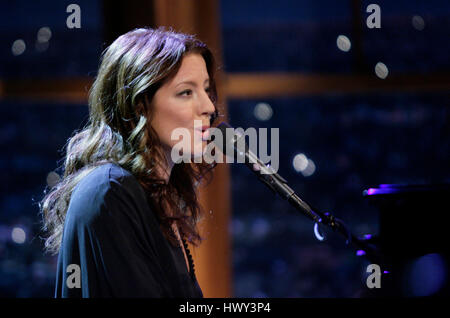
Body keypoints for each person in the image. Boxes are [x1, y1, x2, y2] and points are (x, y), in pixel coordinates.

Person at [39, 27, 220, 297]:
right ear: (139, 105)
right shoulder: (110, 191)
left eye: (206, 90)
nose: (209, 107)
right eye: (186, 92)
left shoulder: (155, 196)